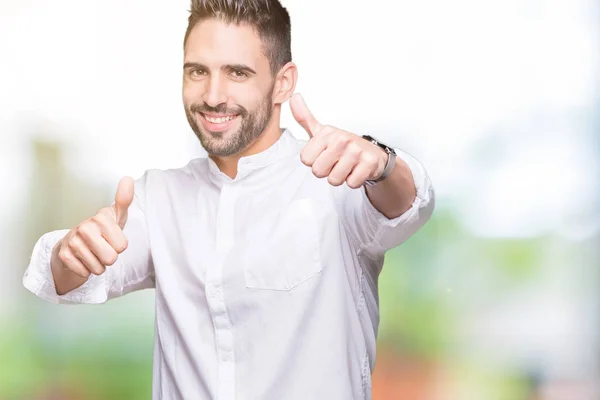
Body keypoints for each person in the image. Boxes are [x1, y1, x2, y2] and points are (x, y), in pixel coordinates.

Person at [23, 0, 435, 399]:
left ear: (283, 82)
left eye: (237, 72)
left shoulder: (335, 180)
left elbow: (409, 205)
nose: (214, 95)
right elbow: (67, 278)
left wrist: (382, 163)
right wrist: (69, 252)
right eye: (197, 71)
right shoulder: (159, 197)